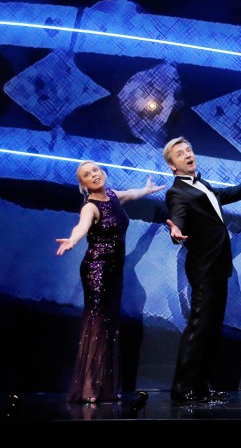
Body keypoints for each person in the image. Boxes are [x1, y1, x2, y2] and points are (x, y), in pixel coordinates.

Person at [163, 136, 241, 403]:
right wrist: (176, 231)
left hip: (218, 266)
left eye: (189, 149)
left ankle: (200, 386)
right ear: (172, 165)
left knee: (210, 331)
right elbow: (178, 215)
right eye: (180, 154)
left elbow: (221, 197)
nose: (188, 154)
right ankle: (183, 389)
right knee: (199, 329)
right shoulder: (177, 192)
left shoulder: (200, 185)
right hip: (204, 268)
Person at [55, 161, 164, 403]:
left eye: (95, 170)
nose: (94, 175)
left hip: (114, 272)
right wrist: (72, 240)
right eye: (87, 174)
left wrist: (147, 190)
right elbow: (82, 226)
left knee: (107, 326)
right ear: (83, 185)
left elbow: (132, 194)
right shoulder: (90, 207)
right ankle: (88, 389)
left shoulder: (113, 196)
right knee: (96, 326)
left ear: (102, 172)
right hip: (97, 271)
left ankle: (102, 387)